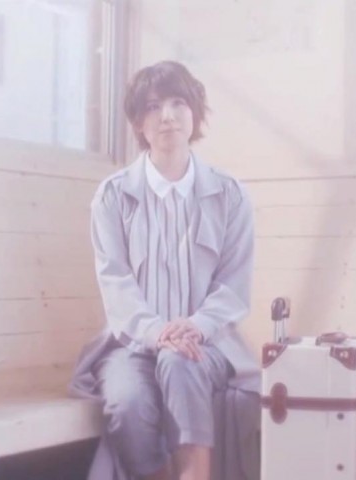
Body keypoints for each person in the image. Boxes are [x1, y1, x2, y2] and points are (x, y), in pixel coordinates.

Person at [70, 60, 260, 480]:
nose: (167, 116)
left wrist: (193, 328)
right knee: (126, 402)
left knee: (179, 362)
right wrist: (157, 333)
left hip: (210, 344)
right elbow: (115, 282)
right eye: (153, 107)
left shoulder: (230, 195)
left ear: (195, 113)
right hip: (130, 346)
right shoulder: (112, 197)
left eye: (178, 103)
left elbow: (234, 285)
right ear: (139, 123)